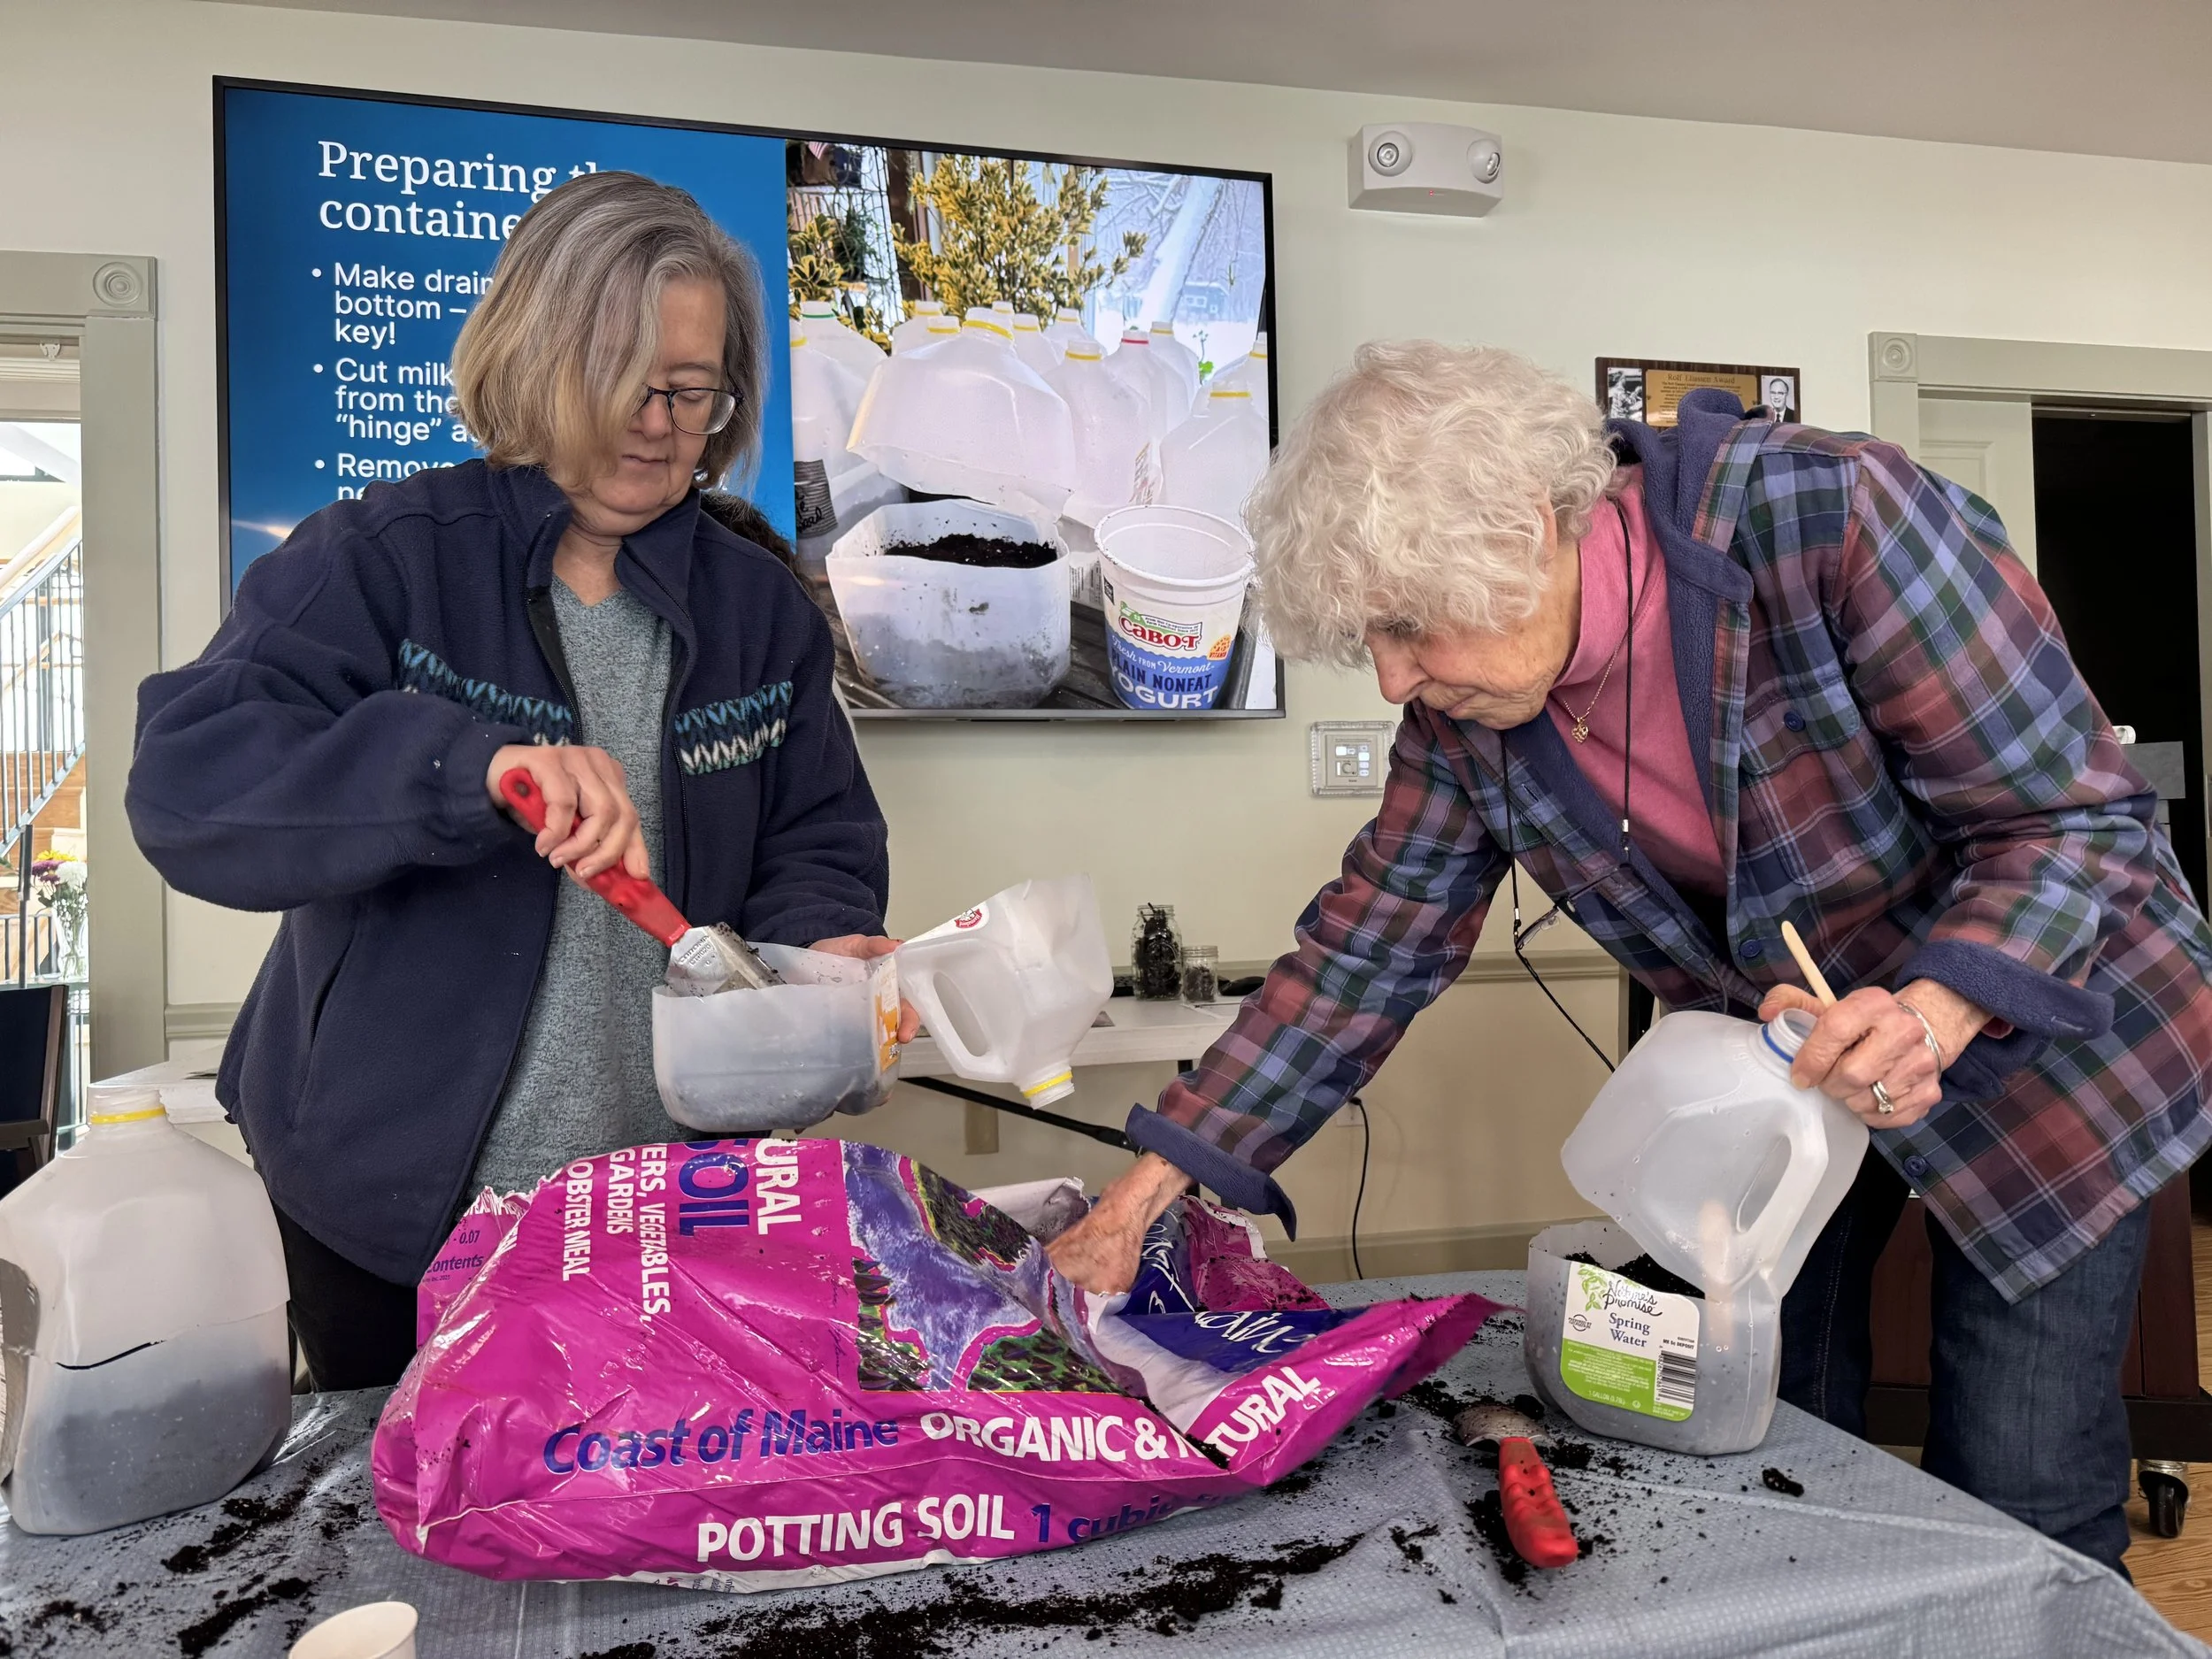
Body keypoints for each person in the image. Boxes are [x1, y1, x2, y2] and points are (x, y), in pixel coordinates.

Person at [1048, 342, 2212, 1574]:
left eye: (1405, 627)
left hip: (2049, 1031)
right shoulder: (1467, 717)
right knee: (1762, 1432)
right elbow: (1362, 951)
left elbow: (2073, 818)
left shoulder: (1836, 518)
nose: (1394, 677)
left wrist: (1937, 1008)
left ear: (1535, 527)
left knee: (2021, 1486)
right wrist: (1144, 1193)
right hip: (1795, 1073)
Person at [129, 172, 910, 1391]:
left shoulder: (760, 610)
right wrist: (466, 767)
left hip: (665, 1219)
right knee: (400, 1537)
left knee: (637, 1525)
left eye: (690, 392)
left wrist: (817, 962)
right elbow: (190, 782)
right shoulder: (381, 561)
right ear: (534, 359)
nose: (653, 423)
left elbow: (814, 837)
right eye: (619, 380)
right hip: (390, 1220)